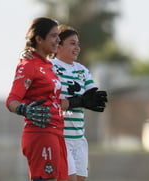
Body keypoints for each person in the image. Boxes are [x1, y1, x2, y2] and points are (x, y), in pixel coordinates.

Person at [21, 25, 108, 181]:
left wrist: (81, 101)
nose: (77, 48)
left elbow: (92, 98)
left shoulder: (82, 70)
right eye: (72, 43)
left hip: (79, 137)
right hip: (60, 136)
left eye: (78, 43)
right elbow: (51, 102)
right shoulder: (50, 67)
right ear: (58, 46)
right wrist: (79, 101)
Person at [6, 17, 68, 181]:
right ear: (39, 39)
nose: (58, 40)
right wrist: (23, 109)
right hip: (41, 133)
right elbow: (12, 100)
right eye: (53, 36)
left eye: (58, 36)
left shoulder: (47, 65)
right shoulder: (28, 65)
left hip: (56, 132)